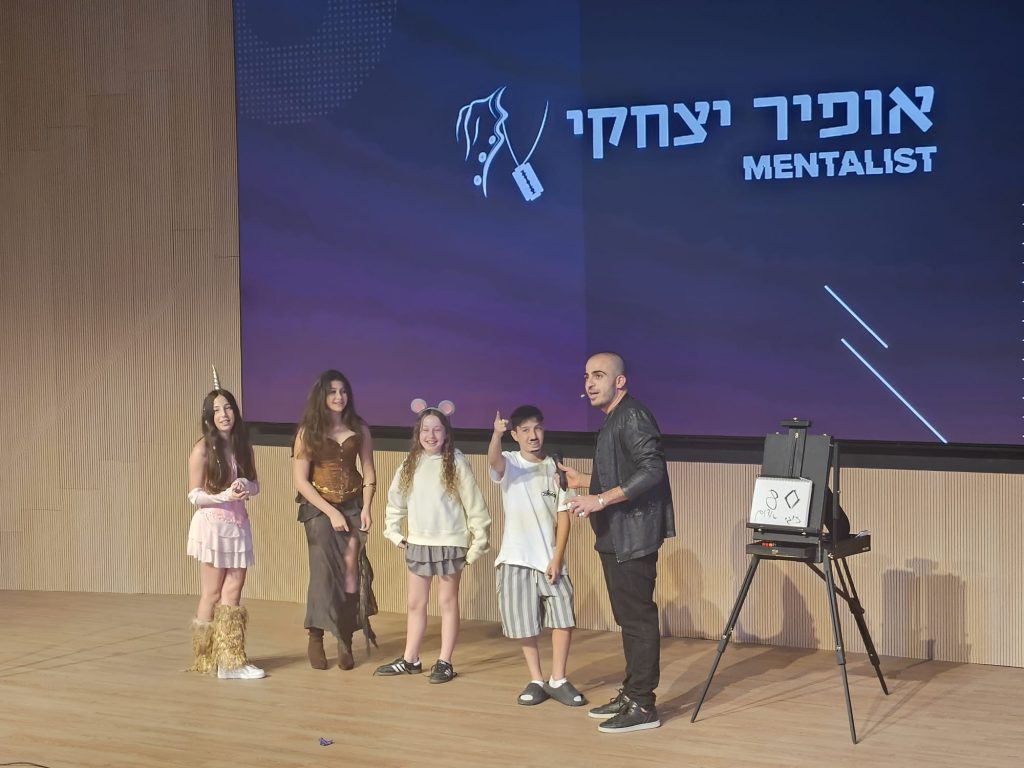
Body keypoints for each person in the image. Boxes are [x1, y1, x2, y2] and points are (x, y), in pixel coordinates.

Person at [560, 352, 675, 733]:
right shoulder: (615, 418)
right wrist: (585, 482)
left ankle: (643, 705)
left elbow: (652, 469)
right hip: (616, 534)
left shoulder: (633, 415)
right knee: (628, 619)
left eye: (598, 375)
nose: (590, 383)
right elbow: (621, 474)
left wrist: (599, 499)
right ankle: (631, 693)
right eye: (586, 376)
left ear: (620, 381)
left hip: (633, 536)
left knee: (638, 620)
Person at [376, 403, 490, 683]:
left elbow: (475, 505)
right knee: (415, 603)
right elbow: (395, 502)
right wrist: (393, 532)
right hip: (418, 543)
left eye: (437, 430)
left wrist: (478, 542)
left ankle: (445, 661)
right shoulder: (410, 464)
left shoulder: (457, 462)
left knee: (447, 603)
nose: (431, 435)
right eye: (425, 430)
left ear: (446, 434)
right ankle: (410, 659)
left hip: (450, 543)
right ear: (418, 433)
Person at [488, 405, 584, 707]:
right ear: (515, 435)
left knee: (563, 618)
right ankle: (536, 679)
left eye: (538, 428)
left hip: (549, 560)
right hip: (515, 558)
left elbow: (564, 516)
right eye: (526, 430)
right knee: (524, 623)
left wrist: (557, 557)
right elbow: (493, 461)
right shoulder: (510, 462)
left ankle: (558, 678)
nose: (533, 435)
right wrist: (496, 434)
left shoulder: (555, 468)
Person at [293, 370, 378, 670]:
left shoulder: (359, 428)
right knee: (323, 572)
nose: (338, 397)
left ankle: (345, 638)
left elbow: (368, 471)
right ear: (322, 395)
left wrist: (367, 507)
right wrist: (331, 512)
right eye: (332, 392)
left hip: (353, 504)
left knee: (350, 571)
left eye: (343, 391)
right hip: (319, 508)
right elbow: (301, 481)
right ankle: (315, 635)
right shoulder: (308, 431)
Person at [185, 375, 265, 680]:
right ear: (209, 416)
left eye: (228, 407)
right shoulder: (202, 449)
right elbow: (194, 495)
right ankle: (206, 658)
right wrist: (224, 496)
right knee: (212, 592)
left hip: (238, 525)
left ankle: (230, 660)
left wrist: (244, 484)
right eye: (217, 410)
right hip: (212, 527)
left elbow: (255, 485)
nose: (224, 414)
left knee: (234, 588)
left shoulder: (243, 446)